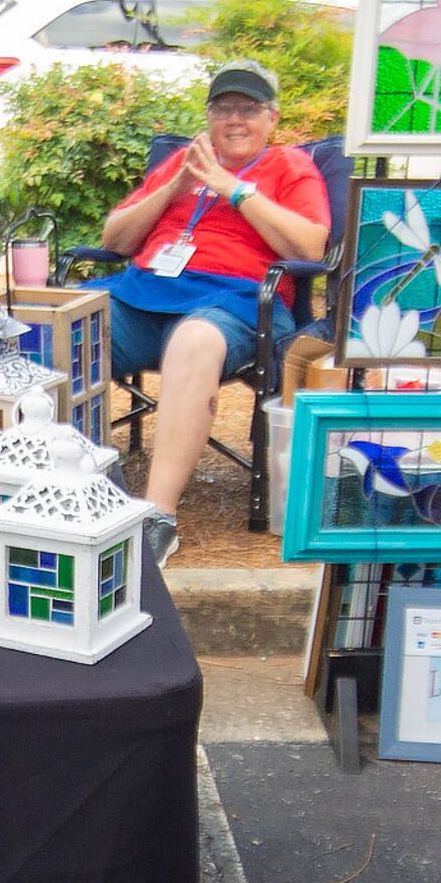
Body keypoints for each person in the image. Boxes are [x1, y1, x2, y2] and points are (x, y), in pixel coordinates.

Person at [95, 62, 330, 561]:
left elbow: (311, 246)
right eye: (223, 108)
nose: (235, 119)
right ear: (208, 116)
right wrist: (173, 187)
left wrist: (234, 188)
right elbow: (114, 239)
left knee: (194, 341)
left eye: (249, 108)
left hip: (236, 303)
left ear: (273, 118)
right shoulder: (182, 161)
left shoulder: (290, 167)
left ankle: (156, 515)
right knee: (65, 324)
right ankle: (71, 486)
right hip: (145, 293)